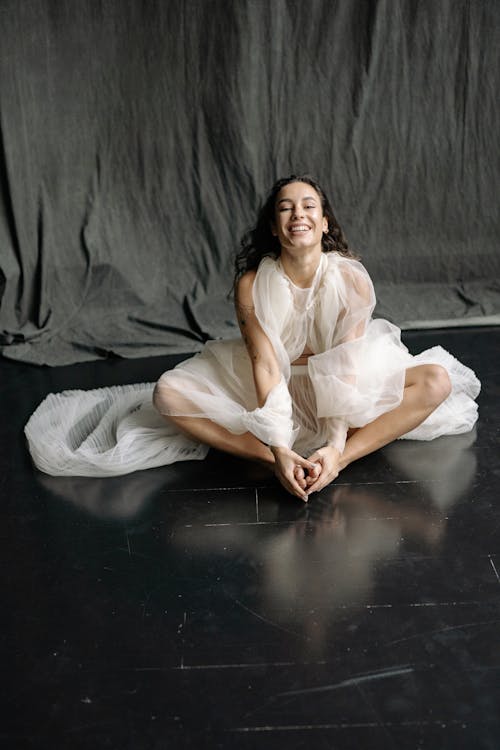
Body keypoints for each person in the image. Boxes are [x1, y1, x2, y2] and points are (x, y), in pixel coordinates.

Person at [25, 175, 480, 495]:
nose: (297, 214)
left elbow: (349, 364)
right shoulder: (251, 283)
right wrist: (279, 447)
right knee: (167, 395)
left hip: (338, 391)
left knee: (436, 381)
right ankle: (268, 458)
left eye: (308, 207)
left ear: (324, 224)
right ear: (274, 226)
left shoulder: (351, 279)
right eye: (285, 208)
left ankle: (337, 462)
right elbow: (264, 364)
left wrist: (336, 445)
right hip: (271, 387)